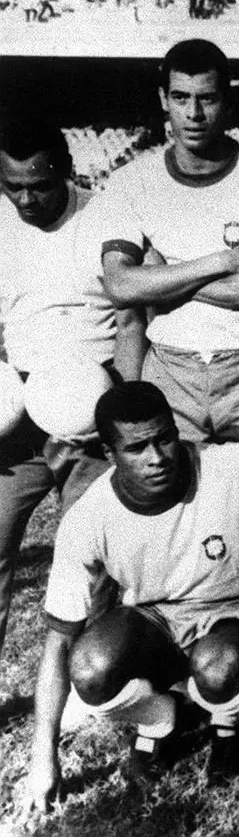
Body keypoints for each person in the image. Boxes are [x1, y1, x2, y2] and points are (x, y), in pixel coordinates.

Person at [20, 382, 239, 816]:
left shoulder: (226, 464)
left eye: (165, 438)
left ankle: (229, 728)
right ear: (110, 453)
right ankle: (160, 714)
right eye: (137, 448)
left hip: (224, 614)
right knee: (91, 668)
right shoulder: (88, 518)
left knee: (219, 669)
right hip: (154, 617)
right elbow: (58, 642)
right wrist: (43, 754)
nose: (157, 458)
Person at [99, 39, 239, 447]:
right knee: (177, 504)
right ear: (163, 99)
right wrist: (219, 261)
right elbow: (120, 287)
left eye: (207, 99)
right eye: (180, 97)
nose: (192, 114)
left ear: (227, 103)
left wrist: (160, 279)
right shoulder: (130, 182)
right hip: (170, 372)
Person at [0, 113, 145, 674]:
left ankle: (96, 674)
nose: (28, 200)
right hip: (17, 410)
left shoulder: (104, 216)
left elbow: (130, 321)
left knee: (92, 550)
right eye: (13, 187)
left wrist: (124, 414)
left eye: (40, 185)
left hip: (88, 404)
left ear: (65, 170)